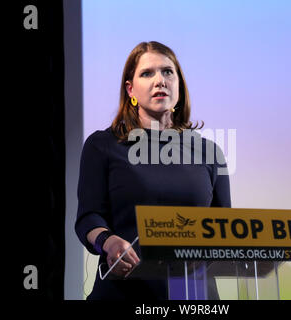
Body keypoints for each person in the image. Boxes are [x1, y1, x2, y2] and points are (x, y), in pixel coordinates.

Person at [75, 41, 231, 300]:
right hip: (125, 292)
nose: (160, 80)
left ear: (179, 86)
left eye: (168, 72)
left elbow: (224, 229)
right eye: (147, 73)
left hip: (193, 295)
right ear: (130, 89)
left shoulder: (209, 152)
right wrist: (107, 241)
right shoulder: (103, 146)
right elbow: (88, 218)